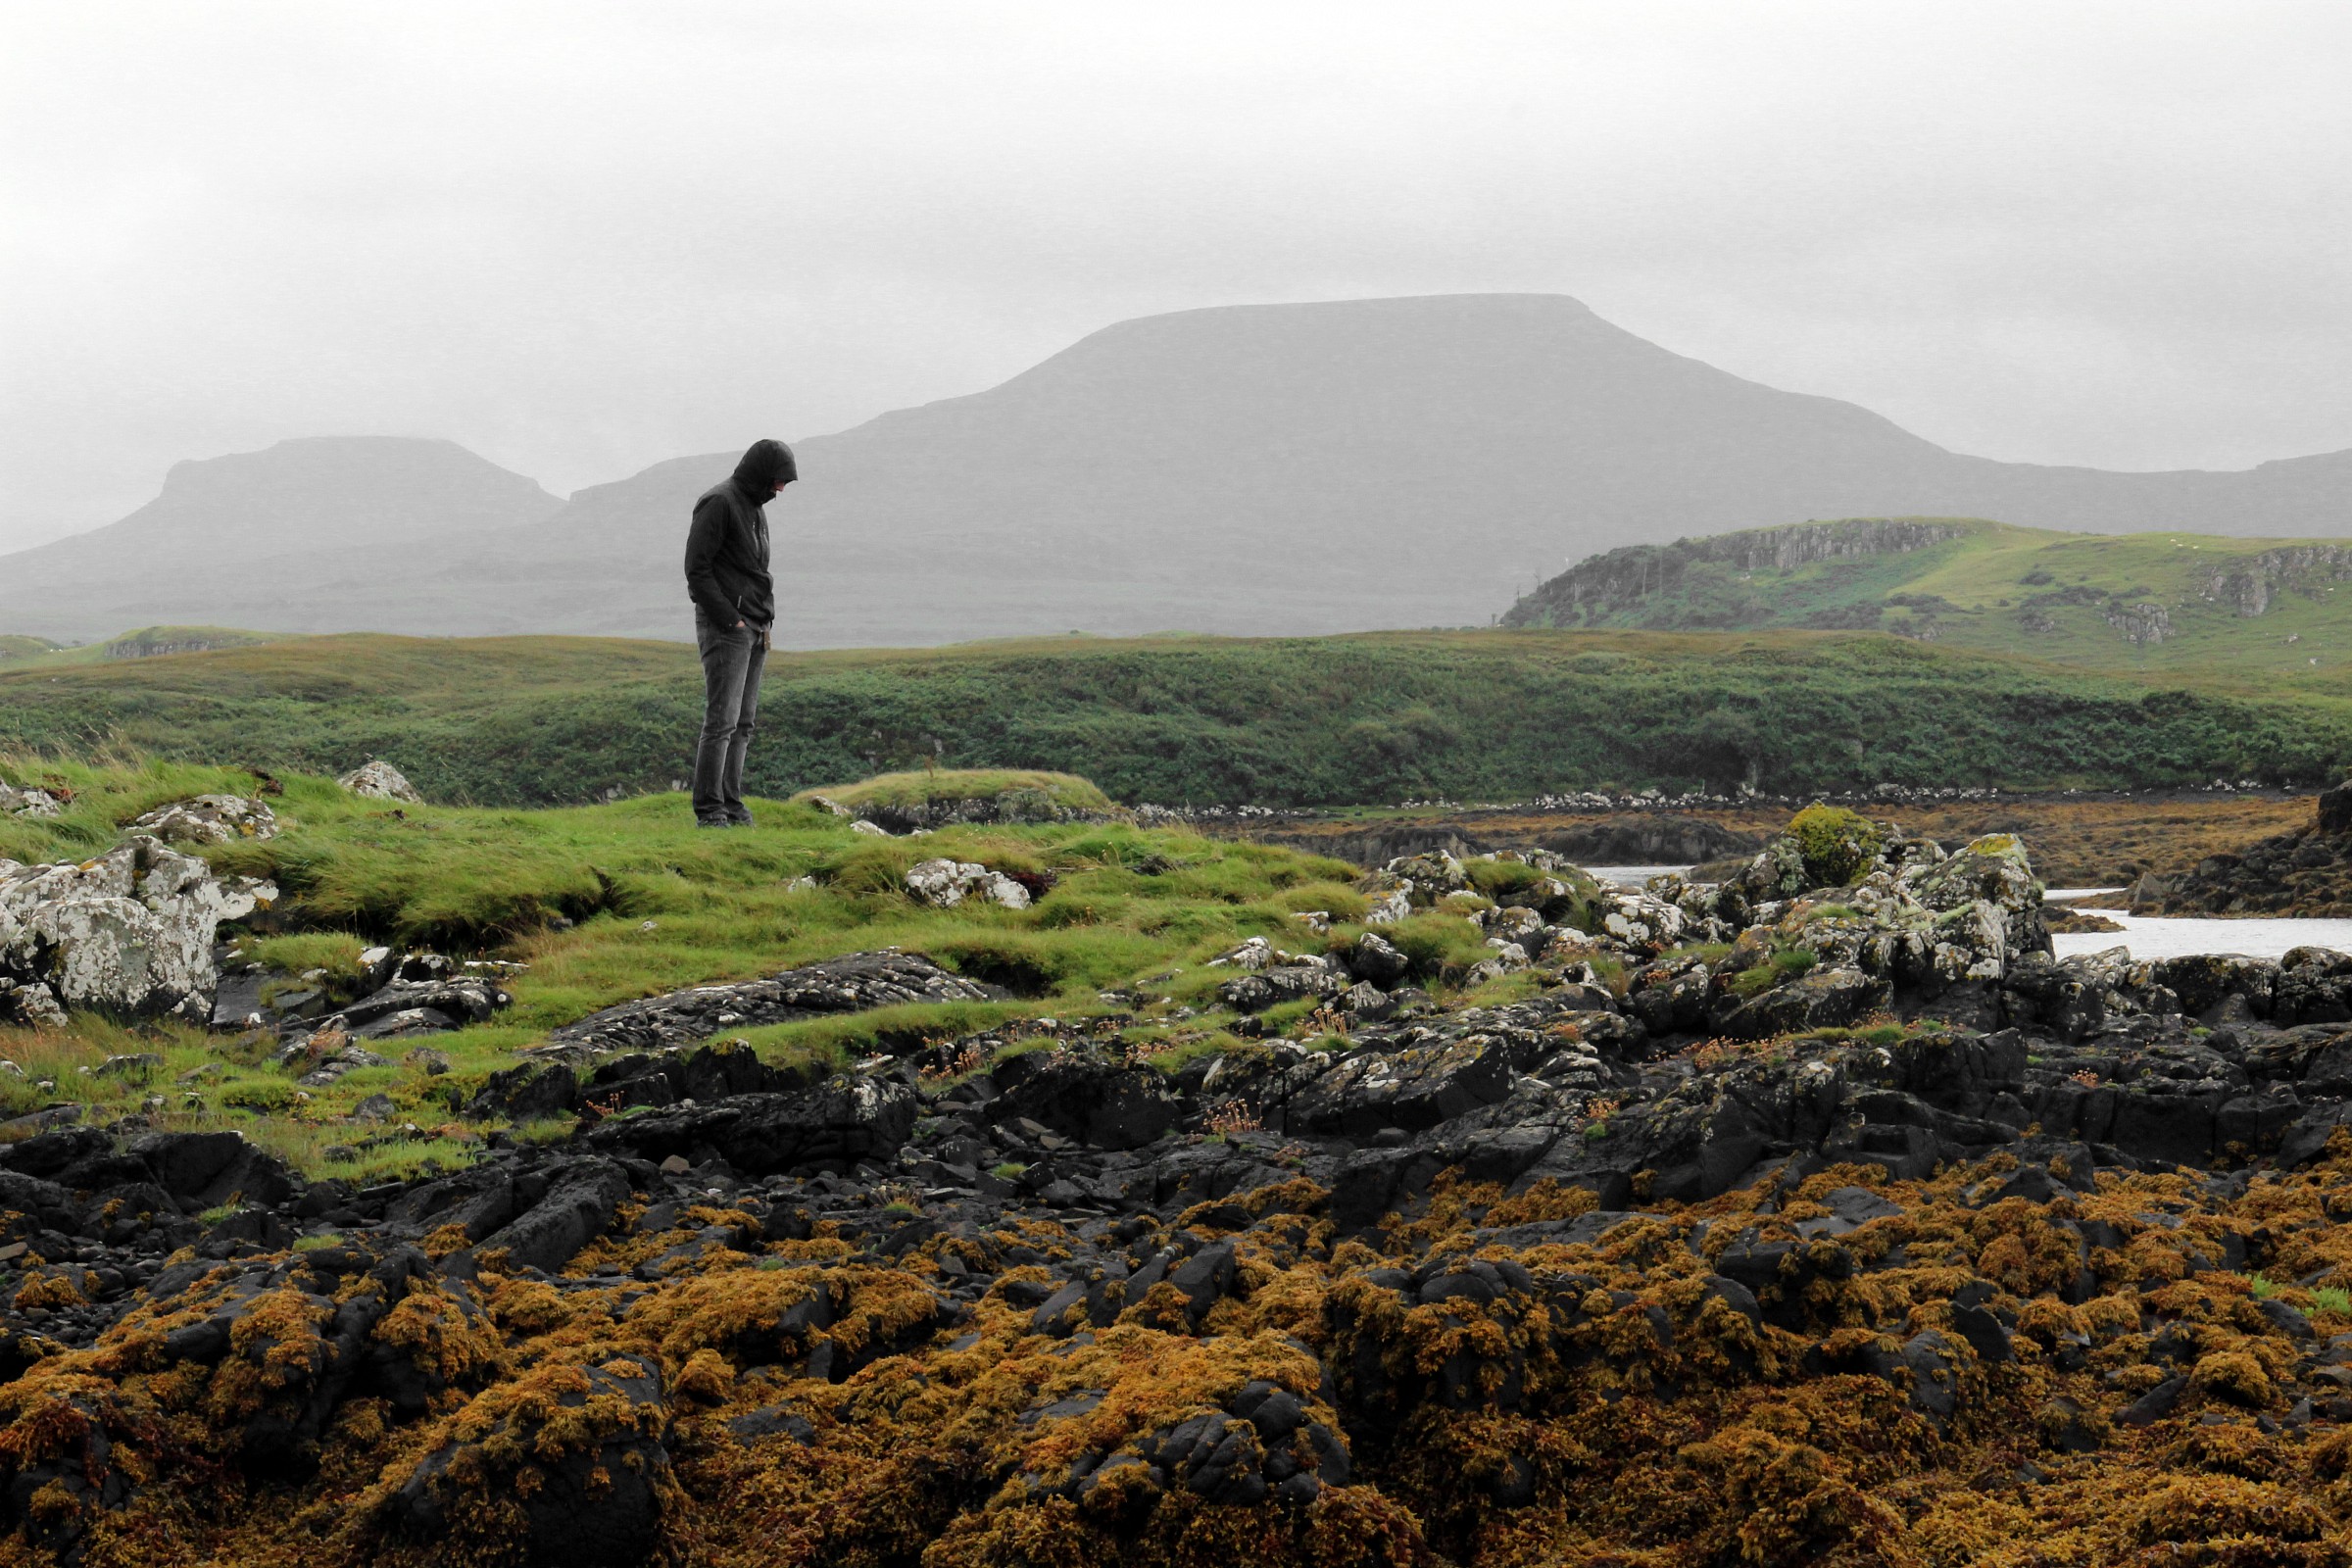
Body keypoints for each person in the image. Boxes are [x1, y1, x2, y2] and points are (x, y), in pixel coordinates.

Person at [684, 438, 795, 826]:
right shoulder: (719, 503)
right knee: (722, 721)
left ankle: (731, 803)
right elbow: (697, 570)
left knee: (743, 723)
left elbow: (752, 571)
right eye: (778, 480)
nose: (780, 489)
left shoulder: (753, 508)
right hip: (728, 628)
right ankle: (710, 810)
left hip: (756, 626)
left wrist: (760, 619)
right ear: (761, 473)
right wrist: (731, 620)